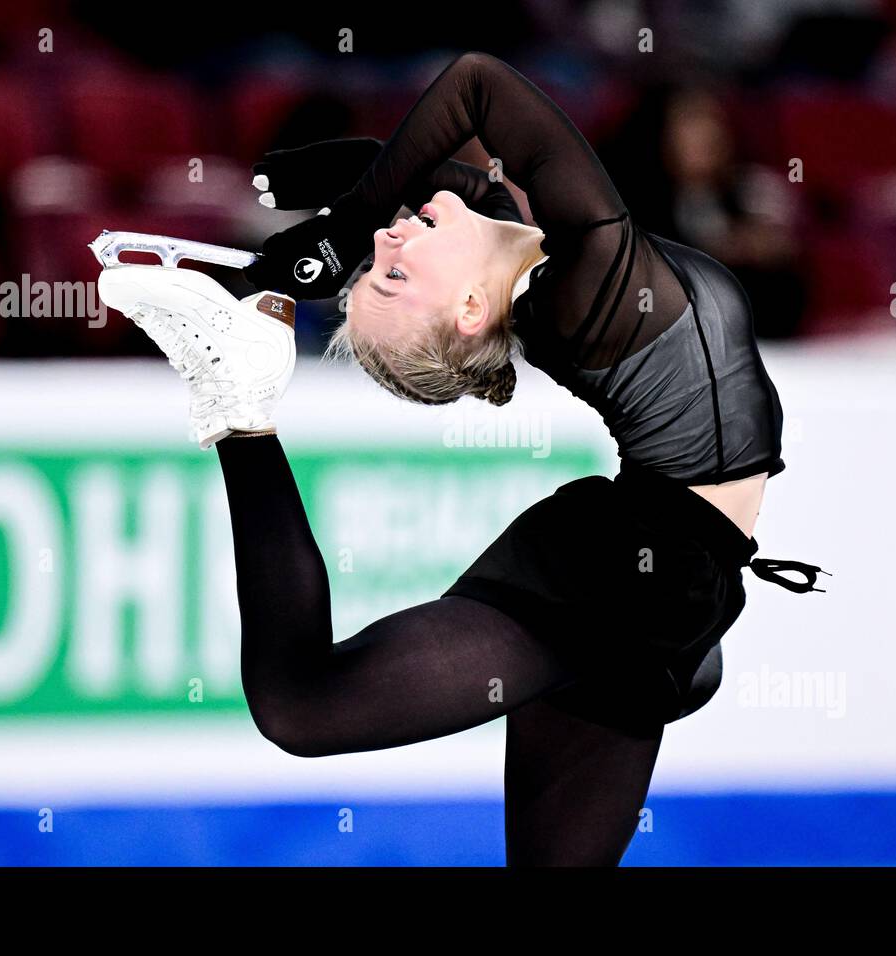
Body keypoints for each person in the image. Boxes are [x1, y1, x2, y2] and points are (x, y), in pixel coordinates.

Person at [98, 51, 824, 867]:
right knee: (303, 703)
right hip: (627, 575)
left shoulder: (544, 252)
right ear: (474, 309)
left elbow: (470, 192)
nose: (383, 237)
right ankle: (237, 409)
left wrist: (363, 173)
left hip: (669, 592)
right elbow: (480, 85)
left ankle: (239, 408)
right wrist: (348, 221)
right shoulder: (593, 291)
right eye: (394, 271)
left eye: (377, 258)